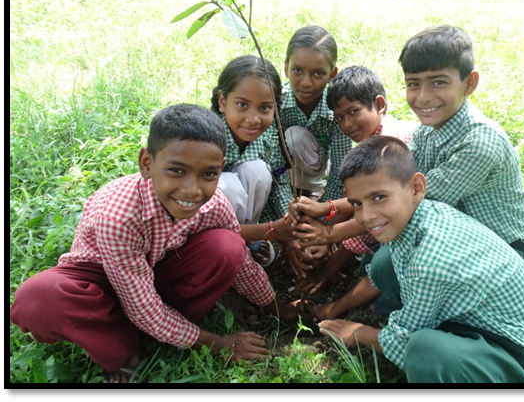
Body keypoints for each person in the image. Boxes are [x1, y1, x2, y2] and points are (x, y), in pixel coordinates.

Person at [9, 104, 307, 383]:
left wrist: (280, 309)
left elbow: (241, 261)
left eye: (208, 174)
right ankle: (123, 344)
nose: (192, 190)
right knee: (36, 300)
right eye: (176, 170)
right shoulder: (120, 216)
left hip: (156, 274)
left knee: (228, 245)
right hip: (99, 278)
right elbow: (142, 309)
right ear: (146, 163)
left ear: (221, 167)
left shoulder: (214, 203)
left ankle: (169, 325)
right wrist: (219, 344)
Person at [313, 136, 524, 383]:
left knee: (424, 350)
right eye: (356, 203)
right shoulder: (423, 215)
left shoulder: (429, 261)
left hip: (520, 354)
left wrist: (359, 332)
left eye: (379, 197)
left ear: (416, 188)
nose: (366, 215)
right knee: (383, 261)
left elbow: (404, 342)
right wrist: (337, 308)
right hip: (480, 319)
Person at [399, 24, 524, 266]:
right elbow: (400, 179)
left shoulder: (479, 142)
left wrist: (334, 229)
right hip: (465, 236)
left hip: (506, 251)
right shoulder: (426, 130)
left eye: (438, 82)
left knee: (390, 258)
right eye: (413, 84)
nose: (422, 97)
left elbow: (412, 201)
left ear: (469, 83)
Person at [287, 65, 419, 294]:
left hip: (411, 226)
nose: (347, 124)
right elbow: (356, 201)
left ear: (379, 105)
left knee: (376, 266)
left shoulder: (387, 149)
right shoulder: (372, 143)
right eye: (339, 117)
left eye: (353, 111)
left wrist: (329, 241)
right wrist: (326, 220)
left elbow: (371, 214)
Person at [260, 25, 353, 276]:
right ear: (285, 67)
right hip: (282, 173)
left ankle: (311, 198)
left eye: (318, 73)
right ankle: (300, 203)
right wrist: (291, 223)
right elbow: (273, 170)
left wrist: (321, 222)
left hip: (317, 170)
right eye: (297, 70)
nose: (306, 82)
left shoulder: (336, 108)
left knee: (298, 140)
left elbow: (340, 170)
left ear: (332, 74)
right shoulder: (275, 104)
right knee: (293, 138)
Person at [212, 55, 297, 267]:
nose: (253, 119)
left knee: (258, 171)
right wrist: (273, 230)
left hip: (246, 220)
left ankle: (249, 238)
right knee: (227, 185)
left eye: (265, 108)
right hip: (208, 223)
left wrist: (289, 219)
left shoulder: (268, 136)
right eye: (242, 105)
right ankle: (226, 245)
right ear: (222, 101)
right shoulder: (207, 138)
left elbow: (278, 182)